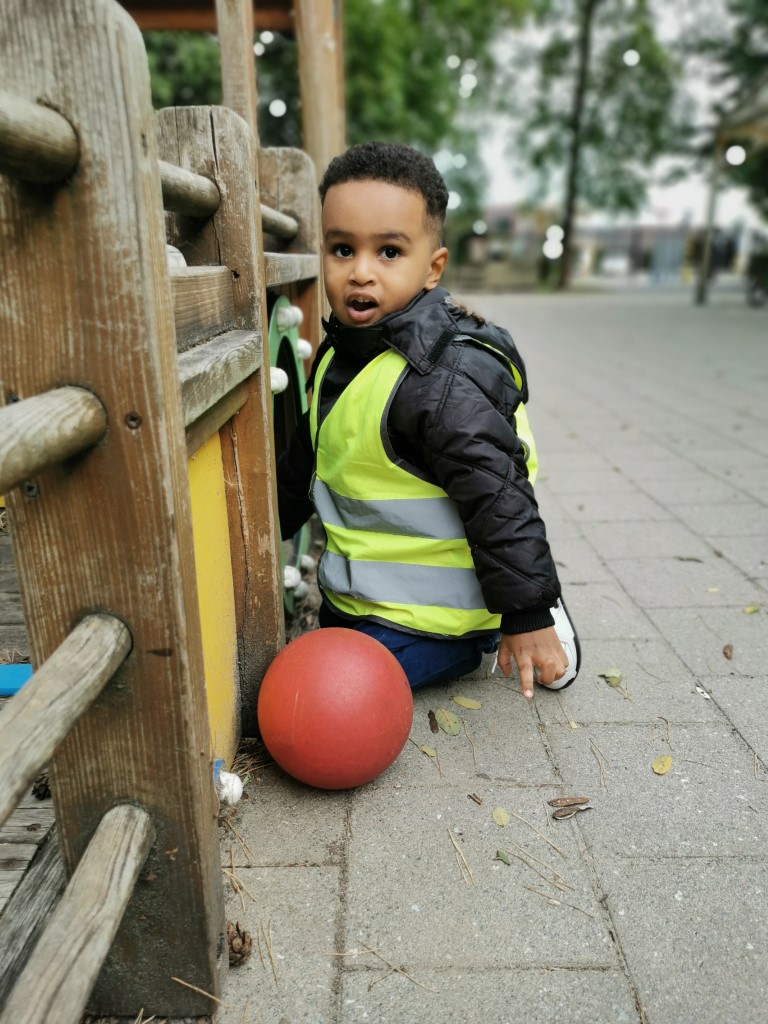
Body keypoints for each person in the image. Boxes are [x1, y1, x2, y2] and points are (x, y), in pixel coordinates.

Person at [277, 141, 580, 699]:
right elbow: (303, 468)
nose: (361, 272)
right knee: (317, 673)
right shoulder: (337, 356)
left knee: (324, 696)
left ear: (432, 268)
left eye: (389, 252)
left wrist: (527, 614)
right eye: (342, 249)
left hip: (445, 620)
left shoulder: (441, 379)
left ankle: (517, 626)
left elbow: (498, 496)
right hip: (359, 605)